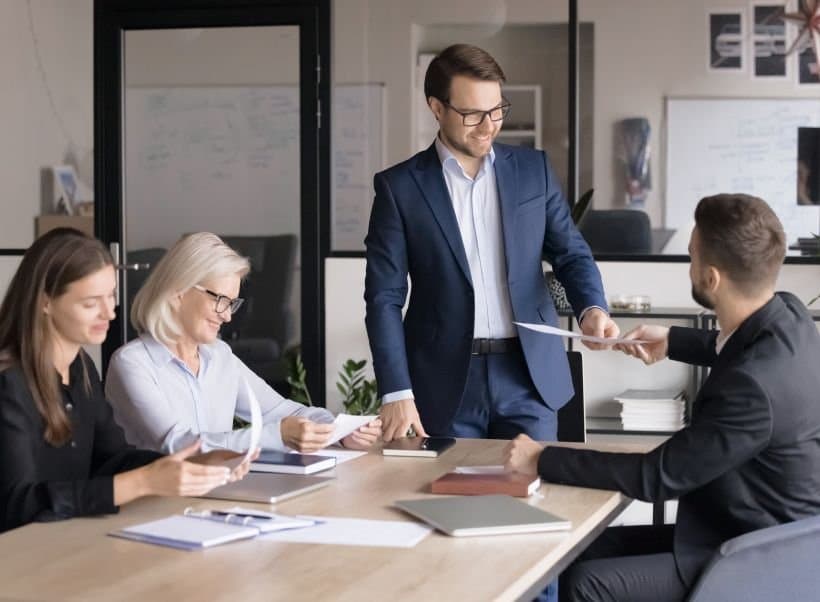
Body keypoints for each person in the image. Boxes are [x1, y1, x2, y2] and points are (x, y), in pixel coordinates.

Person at [504, 193, 820, 602]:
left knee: (586, 585)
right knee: (575, 552)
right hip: (764, 531)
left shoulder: (751, 390)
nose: (689, 265)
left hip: (753, 556)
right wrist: (672, 340)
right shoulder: (790, 316)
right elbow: (740, 348)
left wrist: (540, 458)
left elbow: (657, 477)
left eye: (691, 256)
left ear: (711, 279)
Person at [365, 44, 618, 443]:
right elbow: (384, 297)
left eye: (497, 109)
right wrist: (397, 390)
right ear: (436, 107)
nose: (488, 126)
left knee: (531, 499)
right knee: (448, 502)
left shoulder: (534, 172)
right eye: (472, 114)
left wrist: (592, 309)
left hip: (528, 377)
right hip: (443, 383)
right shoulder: (399, 188)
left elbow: (571, 252)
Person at [0, 228, 247, 534]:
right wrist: (142, 482)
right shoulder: (9, 382)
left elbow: (110, 459)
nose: (109, 313)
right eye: (91, 303)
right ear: (45, 302)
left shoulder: (82, 369)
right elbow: (17, 504)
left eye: (111, 297)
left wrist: (188, 466)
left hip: (64, 544)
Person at [105, 232, 381, 454]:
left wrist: (340, 431)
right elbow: (178, 445)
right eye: (219, 300)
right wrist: (276, 436)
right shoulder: (132, 363)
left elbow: (281, 411)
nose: (226, 316)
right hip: (157, 506)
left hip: (219, 493)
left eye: (232, 303)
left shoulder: (219, 356)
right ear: (179, 291)